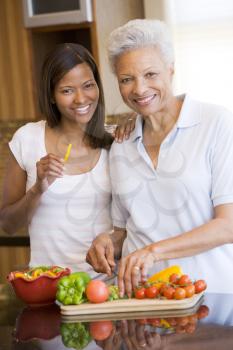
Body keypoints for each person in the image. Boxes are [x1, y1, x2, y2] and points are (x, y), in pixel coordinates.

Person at [86, 19, 233, 294]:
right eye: (127, 79)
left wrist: (155, 252)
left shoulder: (217, 123)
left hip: (213, 299)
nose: (140, 89)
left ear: (171, 69)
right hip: (145, 302)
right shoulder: (122, 143)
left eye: (151, 74)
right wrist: (107, 241)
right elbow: (124, 230)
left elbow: (228, 225)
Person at [0, 43, 134, 279]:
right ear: (51, 95)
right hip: (49, 289)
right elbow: (8, 225)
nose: (81, 98)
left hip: (108, 291)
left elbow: (136, 223)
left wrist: (139, 123)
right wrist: (38, 189)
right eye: (67, 90)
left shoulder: (117, 142)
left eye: (88, 86)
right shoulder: (27, 139)